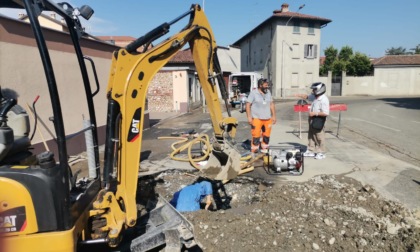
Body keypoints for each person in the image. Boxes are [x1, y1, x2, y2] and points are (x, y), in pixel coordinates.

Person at [295, 82, 330, 160]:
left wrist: (315, 113)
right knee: (311, 135)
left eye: (314, 89)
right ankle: (311, 150)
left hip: (319, 119)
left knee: (319, 136)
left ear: (320, 90)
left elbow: (326, 113)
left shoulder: (324, 99)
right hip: (312, 119)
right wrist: (299, 95)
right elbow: (307, 97)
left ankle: (321, 152)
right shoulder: (315, 97)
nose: (313, 91)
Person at [245, 78, 276, 154]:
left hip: (267, 118)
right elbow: (248, 105)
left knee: (267, 135)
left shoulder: (268, 92)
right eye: (265, 85)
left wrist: (274, 116)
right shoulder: (253, 93)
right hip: (256, 118)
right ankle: (255, 149)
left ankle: (264, 147)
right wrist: (249, 117)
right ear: (260, 85)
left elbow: (271, 104)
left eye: (267, 85)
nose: (267, 87)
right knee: (256, 135)